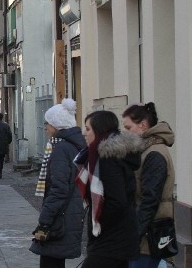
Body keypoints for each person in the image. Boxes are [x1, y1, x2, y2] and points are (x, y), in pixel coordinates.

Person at [75, 110, 143, 268]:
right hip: (116, 237)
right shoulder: (99, 155)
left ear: (99, 130)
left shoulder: (107, 157)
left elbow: (116, 201)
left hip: (112, 238)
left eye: (88, 128)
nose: (84, 133)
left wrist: (98, 223)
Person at [30, 98, 86, 268]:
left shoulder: (61, 148)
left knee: (50, 261)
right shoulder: (75, 145)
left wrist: (45, 218)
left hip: (60, 215)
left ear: (57, 125)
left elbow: (59, 188)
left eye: (48, 123)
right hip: (71, 211)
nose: (46, 127)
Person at [122, 103, 175, 268]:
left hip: (149, 235)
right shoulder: (146, 149)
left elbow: (150, 199)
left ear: (143, 125)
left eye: (128, 127)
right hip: (146, 232)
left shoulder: (154, 153)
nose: (125, 132)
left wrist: (135, 234)